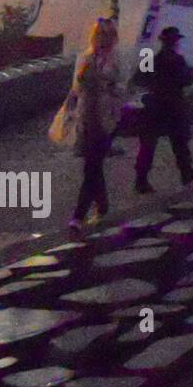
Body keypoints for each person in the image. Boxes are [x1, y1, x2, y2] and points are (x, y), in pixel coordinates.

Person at [61, 17, 123, 233]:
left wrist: (110, 87)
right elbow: (76, 89)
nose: (103, 39)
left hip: (105, 120)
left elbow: (121, 89)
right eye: (100, 34)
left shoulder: (115, 60)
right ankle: (103, 204)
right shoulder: (85, 58)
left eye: (108, 35)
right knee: (93, 166)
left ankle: (78, 216)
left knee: (92, 167)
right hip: (86, 118)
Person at [133, 26, 193, 194]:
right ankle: (186, 172)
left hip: (154, 105)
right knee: (179, 142)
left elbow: (138, 79)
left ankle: (141, 180)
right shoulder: (178, 60)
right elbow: (188, 80)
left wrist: (153, 85)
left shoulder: (150, 58)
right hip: (174, 106)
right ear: (175, 42)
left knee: (148, 145)